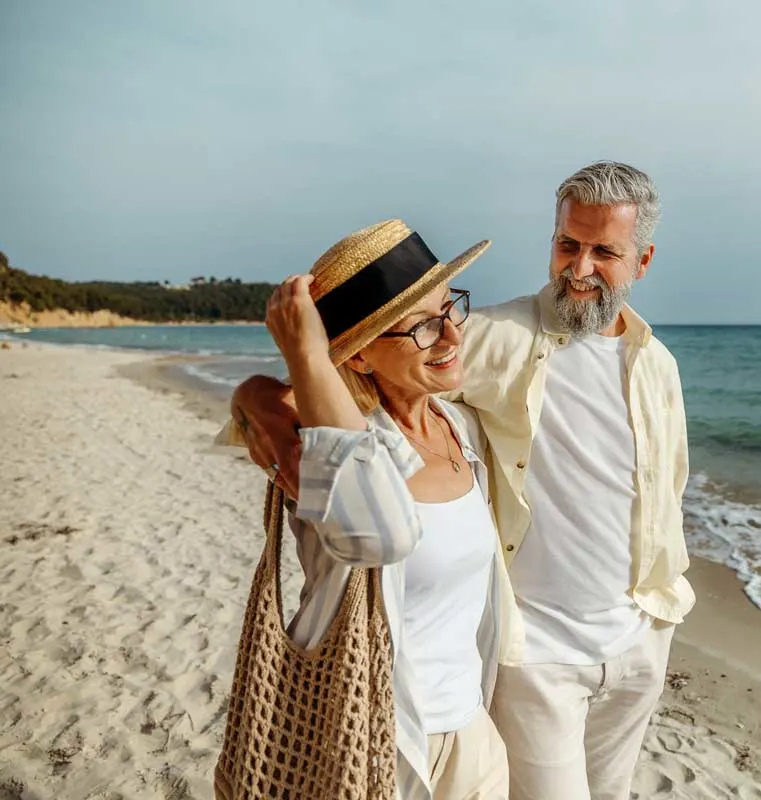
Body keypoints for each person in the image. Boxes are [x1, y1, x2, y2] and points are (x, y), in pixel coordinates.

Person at [225, 161, 693, 800]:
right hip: (537, 652)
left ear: (642, 261)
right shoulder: (495, 337)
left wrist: (657, 617)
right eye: (568, 244)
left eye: (604, 252)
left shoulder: (657, 362)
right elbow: (348, 382)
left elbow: (665, 492)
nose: (579, 268)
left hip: (640, 640)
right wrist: (256, 396)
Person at [250, 218, 510, 800]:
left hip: (472, 730)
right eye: (422, 326)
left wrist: (252, 390)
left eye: (451, 308)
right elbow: (379, 535)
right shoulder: (320, 455)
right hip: (373, 739)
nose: (451, 336)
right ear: (361, 356)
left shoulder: (459, 426)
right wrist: (303, 358)